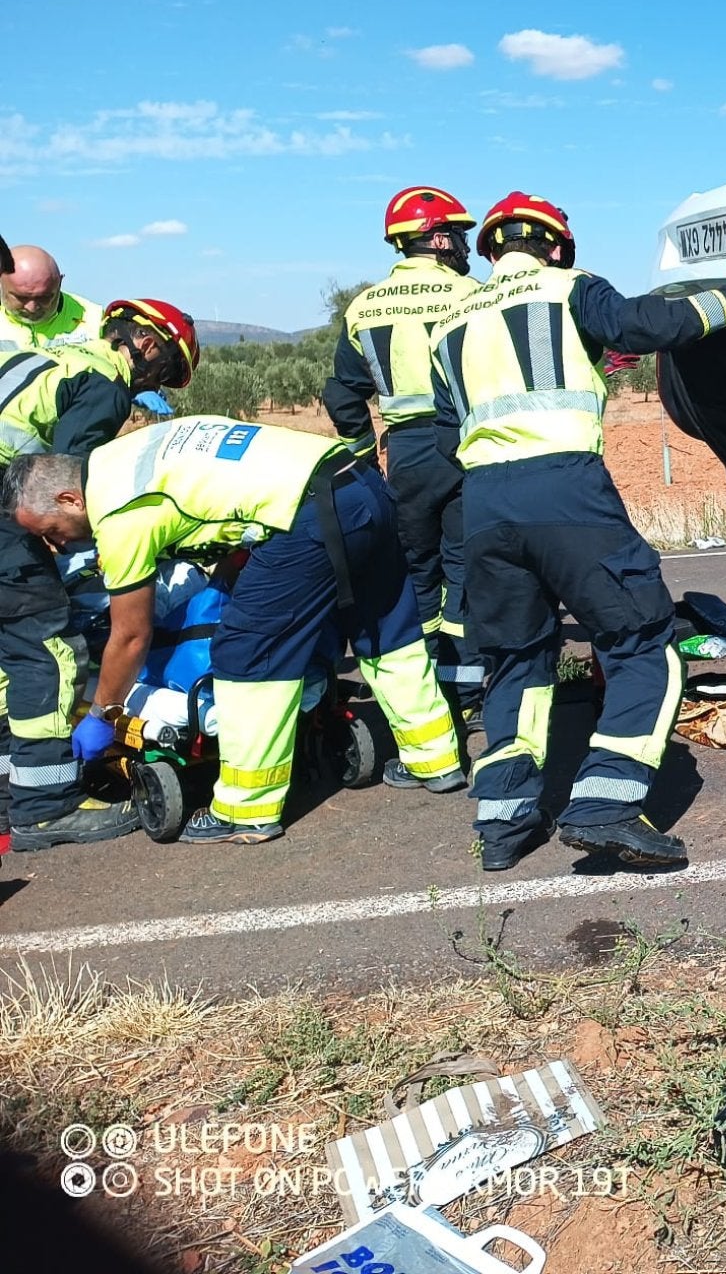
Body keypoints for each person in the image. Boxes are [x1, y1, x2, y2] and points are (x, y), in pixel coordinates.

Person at [432, 191, 726, 871]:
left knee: (515, 660)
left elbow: (452, 432)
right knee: (640, 639)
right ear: (556, 246)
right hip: (564, 489)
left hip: (485, 501)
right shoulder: (570, 287)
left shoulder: (448, 323)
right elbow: (646, 323)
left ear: (493, 248)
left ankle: (503, 824)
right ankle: (606, 808)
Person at [6, 416, 463, 845]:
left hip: (304, 514)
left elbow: (131, 635)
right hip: (357, 482)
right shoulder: (124, 456)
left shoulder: (118, 513)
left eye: (51, 530)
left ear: (70, 500)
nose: (57, 545)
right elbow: (222, 498)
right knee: (384, 629)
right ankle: (435, 759)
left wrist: (102, 712)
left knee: (248, 654)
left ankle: (246, 809)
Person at [0, 299, 200, 851]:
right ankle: (45, 809)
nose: (150, 387)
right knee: (47, 651)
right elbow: (68, 484)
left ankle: (9, 792)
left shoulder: (51, 359)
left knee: (6, 656)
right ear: (148, 346)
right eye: (164, 374)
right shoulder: (104, 383)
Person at [323, 186, 482, 775]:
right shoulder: (471, 293)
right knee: (468, 567)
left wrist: (364, 456)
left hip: (407, 453)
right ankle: (469, 692)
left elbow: (343, 392)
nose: (464, 246)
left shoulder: (364, 307)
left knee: (415, 572)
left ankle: (424, 695)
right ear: (438, 237)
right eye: (458, 235)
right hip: (466, 440)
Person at [1, 244, 105, 352]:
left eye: (43, 297)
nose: (31, 308)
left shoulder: (94, 318)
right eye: (21, 298)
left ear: (59, 283)